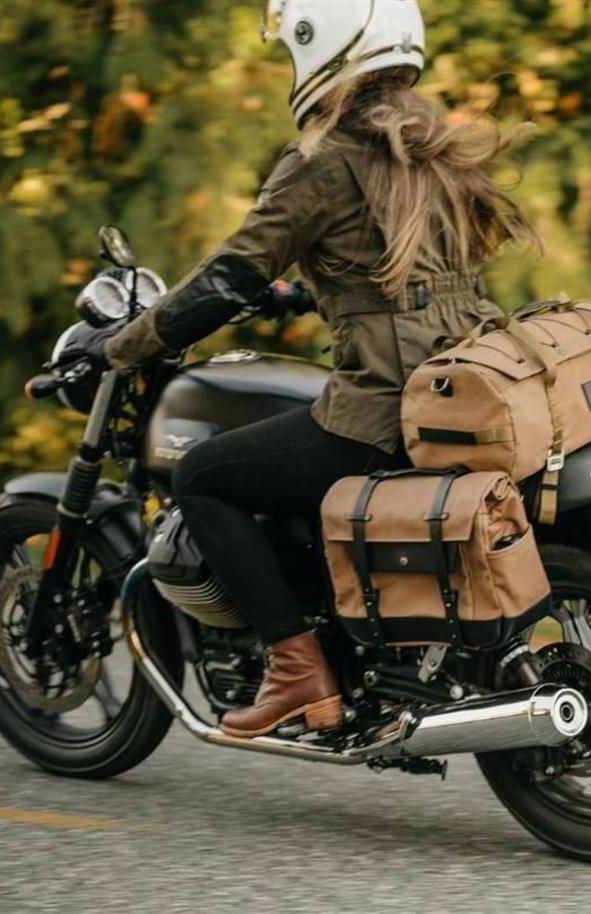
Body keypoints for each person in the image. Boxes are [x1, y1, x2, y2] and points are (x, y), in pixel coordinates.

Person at [95, 0, 538, 738]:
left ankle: (298, 671)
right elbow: (404, 279)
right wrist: (303, 293)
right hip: (468, 388)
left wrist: (121, 344)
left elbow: (225, 279)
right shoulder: (428, 145)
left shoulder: (323, 158)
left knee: (204, 475)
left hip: (384, 408)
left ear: (318, 45)